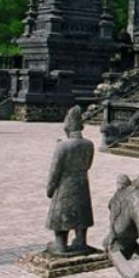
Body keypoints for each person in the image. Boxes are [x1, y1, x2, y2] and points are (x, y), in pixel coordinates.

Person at [45, 106, 95, 255]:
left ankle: (61, 244)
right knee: (82, 211)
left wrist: (50, 188)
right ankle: (81, 241)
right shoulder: (89, 144)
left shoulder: (63, 146)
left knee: (61, 213)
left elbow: (55, 170)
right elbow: (88, 165)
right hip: (82, 183)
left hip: (65, 183)